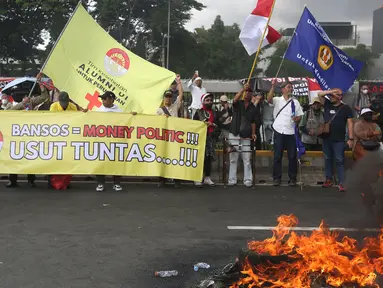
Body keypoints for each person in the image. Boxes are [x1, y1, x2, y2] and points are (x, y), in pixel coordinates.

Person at [6, 82, 49, 188]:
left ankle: (31, 180)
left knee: (30, 158)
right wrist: (22, 104)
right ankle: (13, 180)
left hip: (29, 135)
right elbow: (8, 112)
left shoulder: (31, 102)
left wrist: (42, 87)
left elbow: (44, 97)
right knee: (13, 158)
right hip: (15, 136)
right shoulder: (9, 105)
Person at [267, 80, 304, 187]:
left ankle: (292, 178)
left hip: (291, 132)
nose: (290, 89)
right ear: (283, 89)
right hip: (279, 131)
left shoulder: (295, 102)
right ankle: (276, 178)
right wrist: (273, 87)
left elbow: (299, 116)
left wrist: (297, 119)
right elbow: (269, 99)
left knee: (292, 156)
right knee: (277, 156)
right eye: (288, 87)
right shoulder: (277, 100)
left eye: (291, 87)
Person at [317, 88, 354, 192]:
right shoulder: (327, 104)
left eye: (334, 95)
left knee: (339, 160)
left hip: (339, 139)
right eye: (331, 95)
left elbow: (350, 123)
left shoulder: (346, 108)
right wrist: (331, 92)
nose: (331, 96)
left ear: (340, 97)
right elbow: (319, 94)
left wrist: (351, 138)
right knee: (328, 158)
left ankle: (342, 182)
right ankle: (329, 179)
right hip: (327, 138)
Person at [227, 84, 259, 187]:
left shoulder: (253, 108)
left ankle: (248, 180)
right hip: (234, 132)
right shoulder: (238, 104)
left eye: (250, 92)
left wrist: (253, 133)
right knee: (233, 158)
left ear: (252, 95)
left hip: (246, 135)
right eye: (246, 91)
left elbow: (254, 122)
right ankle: (232, 180)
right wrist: (242, 89)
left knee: (247, 158)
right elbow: (235, 100)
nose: (248, 93)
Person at [157, 75, 184, 188]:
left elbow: (181, 95)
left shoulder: (175, 106)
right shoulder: (159, 110)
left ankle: (176, 180)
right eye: (166, 96)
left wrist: (178, 83)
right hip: (164, 136)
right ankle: (162, 180)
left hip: (174, 136)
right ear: (163, 98)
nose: (168, 98)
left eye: (170, 96)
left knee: (175, 158)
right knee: (162, 158)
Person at [95, 91, 124, 192]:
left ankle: (116, 183)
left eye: (104, 98)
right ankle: (100, 183)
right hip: (101, 141)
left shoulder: (120, 112)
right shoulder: (98, 110)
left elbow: (125, 123)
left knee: (116, 162)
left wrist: (132, 116)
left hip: (114, 141)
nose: (102, 100)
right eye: (102, 98)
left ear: (111, 100)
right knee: (100, 162)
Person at [49, 92, 78, 190]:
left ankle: (66, 181)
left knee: (67, 160)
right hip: (56, 137)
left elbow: (76, 120)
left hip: (69, 137)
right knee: (54, 160)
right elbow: (53, 121)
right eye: (62, 102)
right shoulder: (53, 106)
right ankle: (51, 180)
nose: (64, 104)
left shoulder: (73, 107)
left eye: (66, 102)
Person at [193, 93, 217, 187]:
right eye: (207, 100)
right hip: (200, 138)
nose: (209, 102)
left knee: (208, 158)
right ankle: (197, 177)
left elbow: (218, 124)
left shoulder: (214, 112)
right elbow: (193, 124)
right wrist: (201, 124)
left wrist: (213, 125)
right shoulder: (198, 112)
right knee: (200, 158)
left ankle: (207, 177)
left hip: (210, 137)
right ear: (203, 101)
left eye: (211, 100)